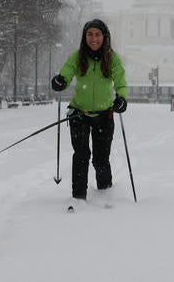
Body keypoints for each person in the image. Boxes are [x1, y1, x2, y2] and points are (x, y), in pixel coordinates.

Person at [51, 19, 128, 201]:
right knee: (81, 156)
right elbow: (67, 72)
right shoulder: (77, 57)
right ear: (84, 36)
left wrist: (122, 98)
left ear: (104, 37)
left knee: (101, 159)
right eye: (90, 34)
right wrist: (61, 80)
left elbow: (120, 81)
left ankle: (105, 194)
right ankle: (78, 197)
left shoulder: (112, 59)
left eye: (98, 34)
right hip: (79, 114)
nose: (94, 39)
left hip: (104, 115)